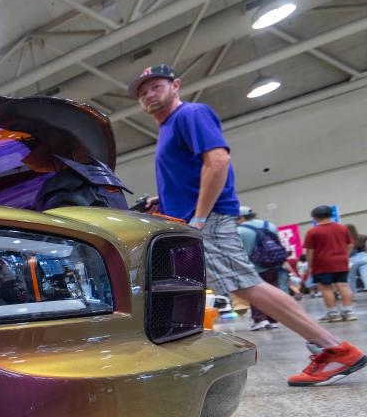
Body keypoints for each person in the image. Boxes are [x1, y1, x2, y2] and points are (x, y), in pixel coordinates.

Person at [129, 63, 365, 387]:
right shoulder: (169, 127)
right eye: (142, 92)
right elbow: (195, 171)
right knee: (215, 284)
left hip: (207, 219)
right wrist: (166, 201)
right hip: (194, 217)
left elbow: (218, 161)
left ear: (176, 85)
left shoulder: (191, 114)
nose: (148, 95)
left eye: (155, 86)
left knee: (245, 284)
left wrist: (198, 216)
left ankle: (333, 348)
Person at [303, 206, 355, 322]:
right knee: (344, 285)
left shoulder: (313, 231)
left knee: (326, 288)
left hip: (322, 263)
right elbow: (350, 244)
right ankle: (349, 312)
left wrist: (310, 265)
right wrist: (345, 256)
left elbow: (310, 250)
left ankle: (333, 313)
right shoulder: (342, 228)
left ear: (315, 218)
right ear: (330, 215)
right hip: (341, 261)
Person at [237, 206, 284, 330]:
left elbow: (242, 253)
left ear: (240, 217)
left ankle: (260, 320)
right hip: (273, 264)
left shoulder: (240, 230)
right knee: (273, 292)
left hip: (254, 267)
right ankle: (273, 320)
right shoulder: (270, 225)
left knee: (255, 294)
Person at [347, 223, 367, 292]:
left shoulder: (345, 239)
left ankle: (351, 294)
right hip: (364, 257)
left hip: (351, 259)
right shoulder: (362, 237)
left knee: (350, 277)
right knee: (365, 275)